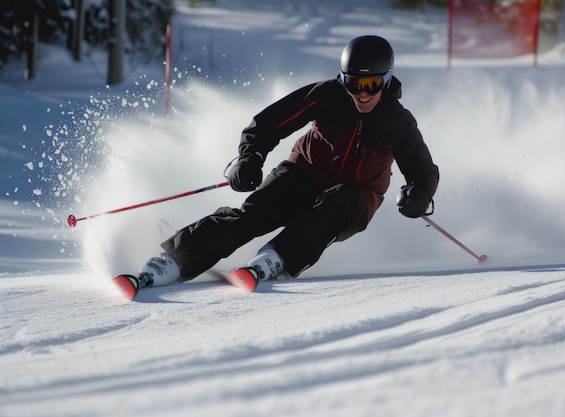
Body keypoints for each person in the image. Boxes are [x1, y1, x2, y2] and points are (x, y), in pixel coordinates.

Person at [133, 35, 439, 288]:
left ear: (386, 80)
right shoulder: (327, 96)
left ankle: (276, 259)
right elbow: (269, 123)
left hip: (357, 196)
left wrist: (419, 193)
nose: (361, 93)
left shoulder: (396, 121)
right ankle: (175, 260)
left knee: (335, 206)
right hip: (304, 174)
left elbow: (421, 168)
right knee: (253, 214)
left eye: (371, 84)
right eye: (353, 83)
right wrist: (249, 158)